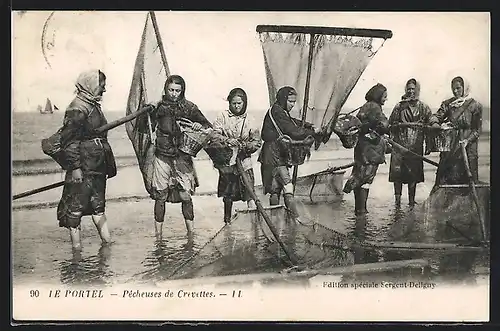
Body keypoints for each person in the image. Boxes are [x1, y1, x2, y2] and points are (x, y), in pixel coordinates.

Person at [56, 69, 117, 251]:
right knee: (76, 207)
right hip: (83, 166)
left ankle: (107, 244)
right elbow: (69, 141)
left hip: (97, 166)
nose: (104, 90)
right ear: (90, 85)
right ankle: (77, 249)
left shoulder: (93, 104)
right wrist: (75, 168)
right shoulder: (77, 108)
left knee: (98, 205)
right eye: (101, 86)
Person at [145, 75, 212, 238]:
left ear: (182, 91)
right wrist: (148, 108)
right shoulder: (158, 107)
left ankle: (191, 233)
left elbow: (207, 126)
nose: (174, 94)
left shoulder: (189, 107)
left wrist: (198, 125)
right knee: (160, 195)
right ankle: (158, 235)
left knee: (185, 195)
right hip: (162, 155)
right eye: (171, 90)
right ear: (165, 89)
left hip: (182, 155)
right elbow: (143, 126)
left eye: (177, 91)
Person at [258, 86, 320, 220]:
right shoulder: (278, 112)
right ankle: (295, 218)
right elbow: (292, 130)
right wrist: (312, 132)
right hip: (275, 154)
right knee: (287, 186)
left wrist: (307, 125)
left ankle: (275, 219)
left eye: (294, 102)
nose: (292, 105)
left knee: (275, 189)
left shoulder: (279, 110)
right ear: (283, 99)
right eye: (290, 101)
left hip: (270, 154)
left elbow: (292, 121)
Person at [211, 88, 262, 224]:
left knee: (249, 191)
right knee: (228, 194)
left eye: (239, 103)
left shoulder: (250, 119)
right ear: (229, 103)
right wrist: (227, 141)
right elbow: (214, 135)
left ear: (244, 103)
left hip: (244, 162)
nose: (237, 106)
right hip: (227, 162)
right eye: (234, 103)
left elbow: (257, 141)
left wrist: (245, 146)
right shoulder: (222, 116)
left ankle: (253, 221)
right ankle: (227, 221)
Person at [343, 83, 390, 216]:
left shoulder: (366, 106)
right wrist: (383, 130)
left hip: (361, 147)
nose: (386, 99)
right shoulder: (375, 107)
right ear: (378, 95)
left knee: (360, 173)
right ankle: (362, 210)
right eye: (384, 96)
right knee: (367, 178)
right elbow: (383, 124)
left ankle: (359, 208)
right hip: (371, 149)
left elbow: (361, 124)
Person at [429, 76, 483, 187]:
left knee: (469, 180)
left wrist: (467, 140)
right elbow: (436, 116)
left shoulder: (475, 106)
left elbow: (477, 130)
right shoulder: (448, 104)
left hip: (468, 149)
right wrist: (435, 123)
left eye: (458, 88)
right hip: (451, 147)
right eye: (453, 88)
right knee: (446, 179)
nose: (455, 91)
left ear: (465, 88)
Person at [388, 78, 433, 207]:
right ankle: (397, 202)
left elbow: (431, 122)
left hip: (415, 145)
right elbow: (391, 123)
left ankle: (411, 202)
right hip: (399, 144)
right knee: (398, 176)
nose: (411, 91)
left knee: (413, 175)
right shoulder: (399, 106)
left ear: (417, 90)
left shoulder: (423, 107)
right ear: (405, 90)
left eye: (413, 89)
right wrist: (398, 126)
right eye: (409, 89)